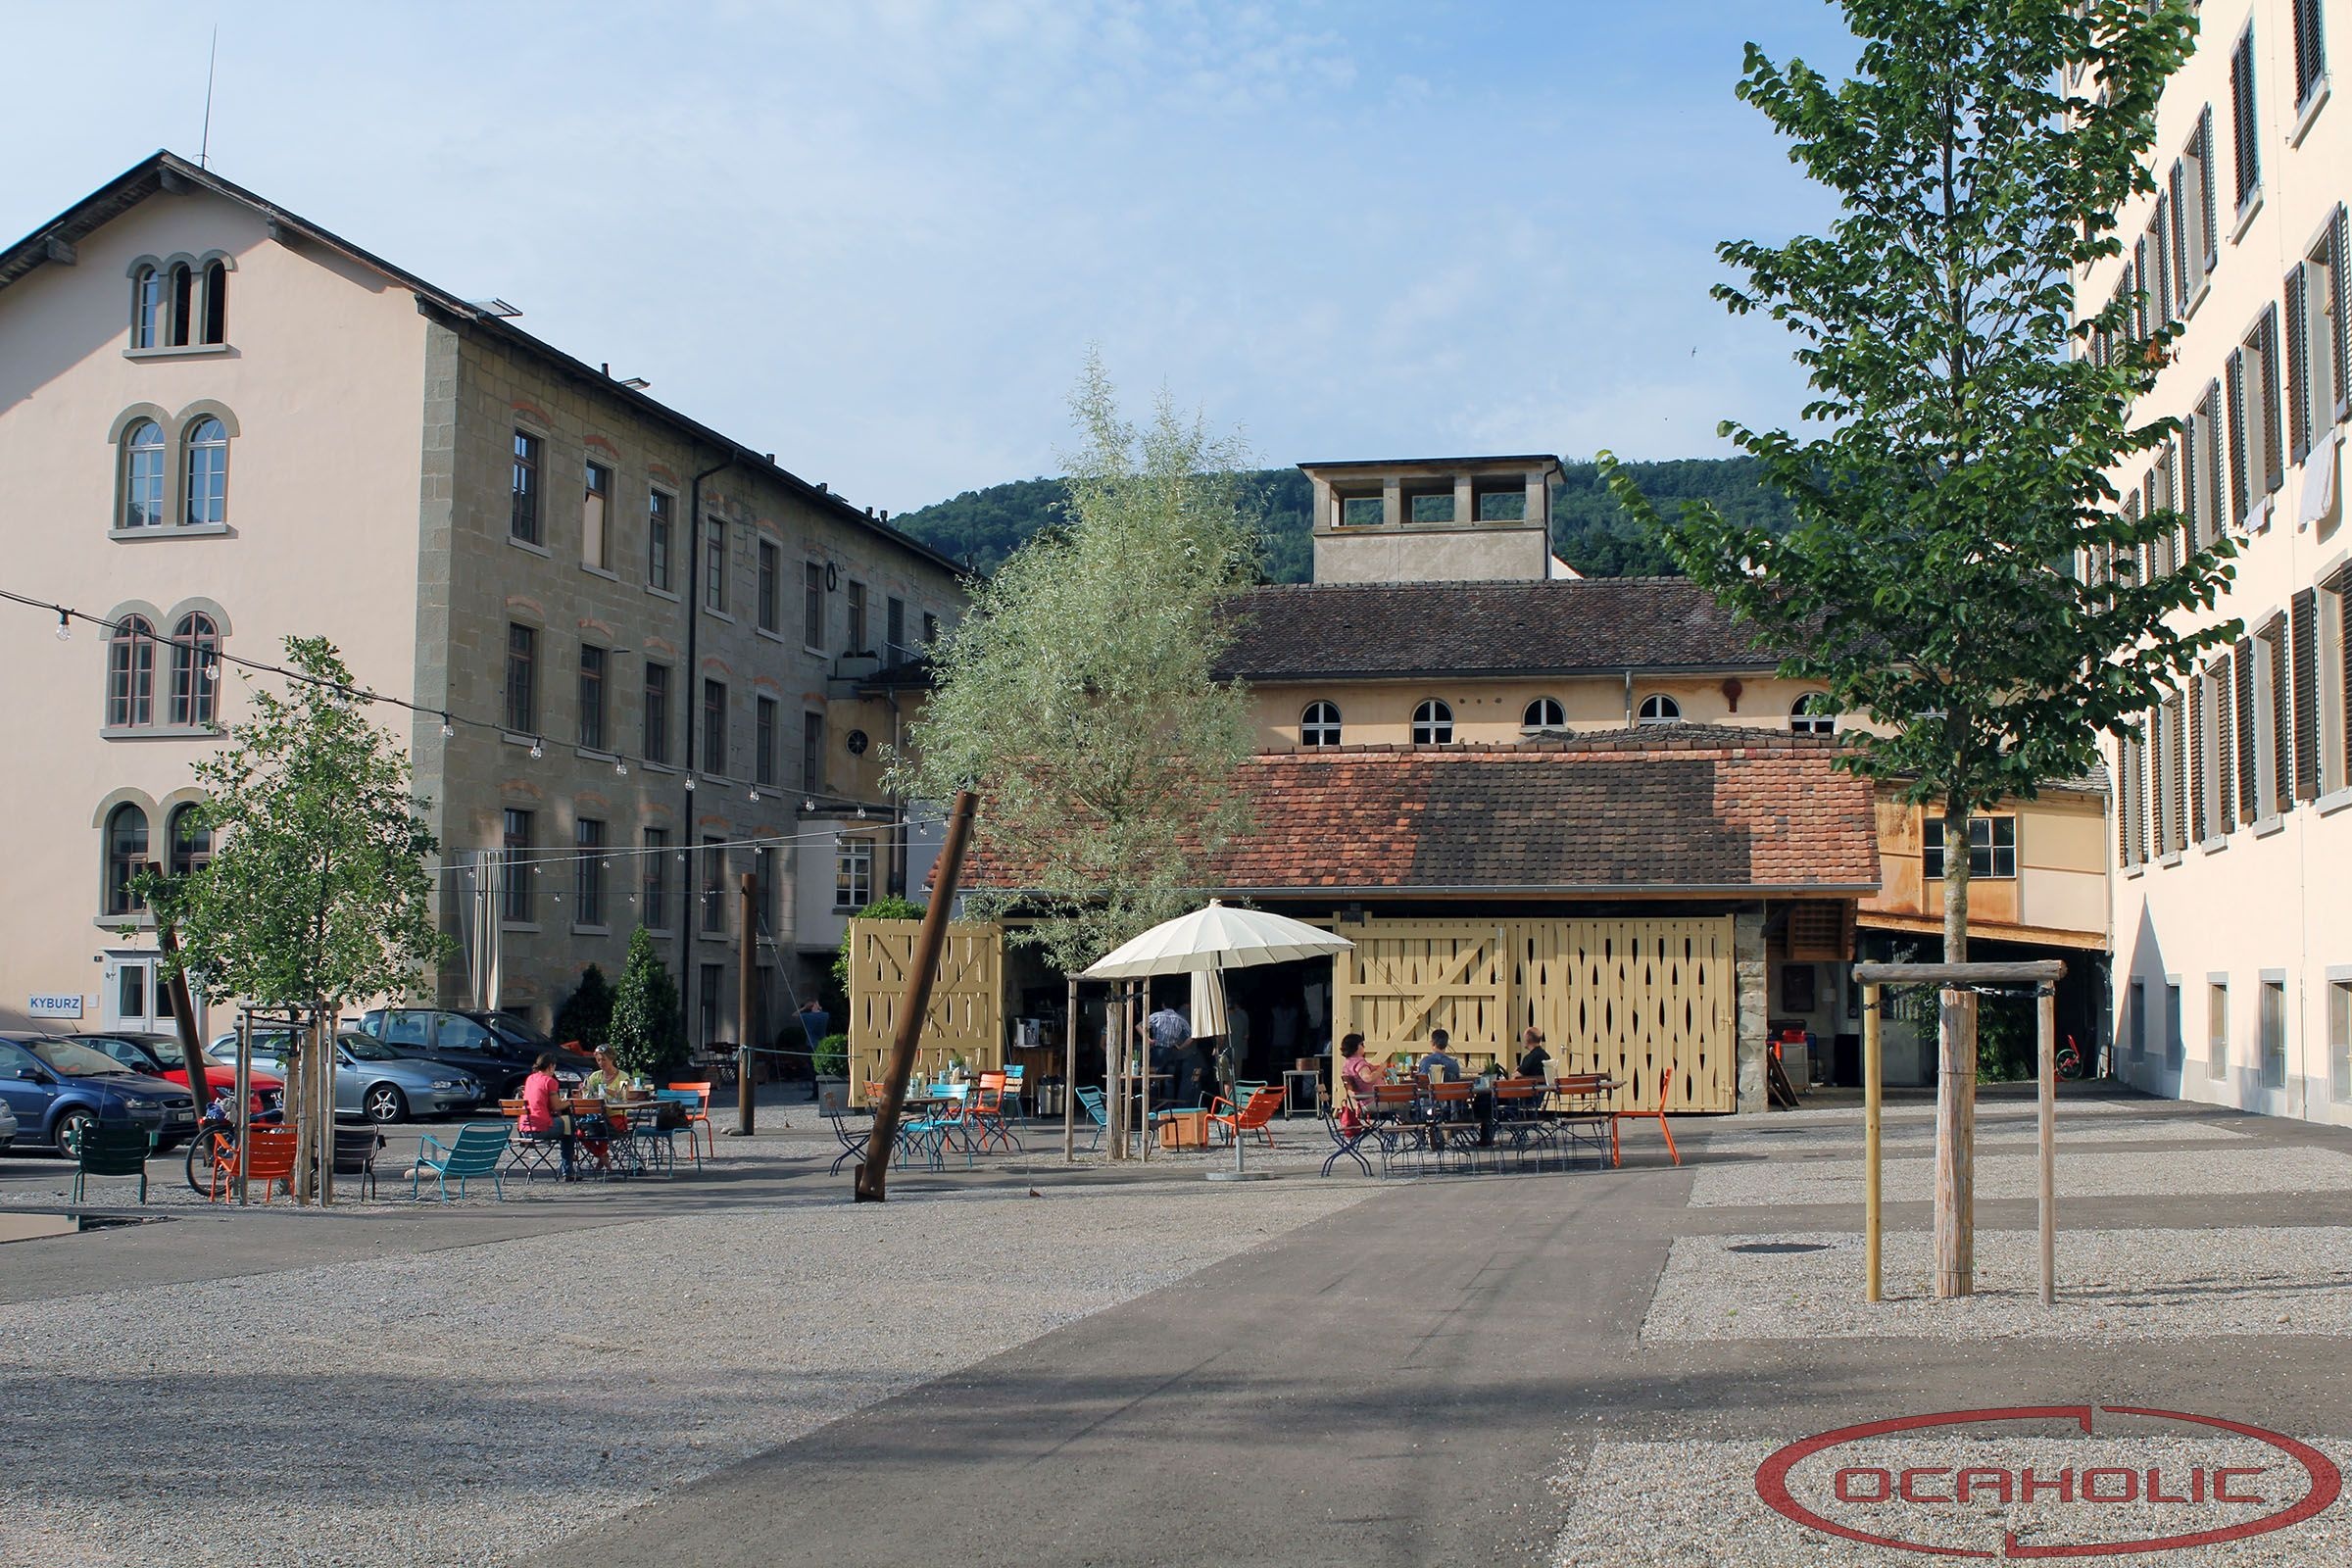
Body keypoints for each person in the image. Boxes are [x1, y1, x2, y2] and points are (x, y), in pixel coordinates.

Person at [516, 1053, 575, 1181]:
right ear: (551, 1066)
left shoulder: (530, 1079)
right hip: (540, 1128)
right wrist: (571, 1102)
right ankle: (568, 1170)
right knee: (570, 1123)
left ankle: (568, 1169)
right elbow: (556, 1106)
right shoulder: (550, 1081)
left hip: (524, 1129)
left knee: (566, 1126)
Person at [1336, 1034, 1377, 1133]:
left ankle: (1402, 1128)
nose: (1364, 1046)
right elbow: (1368, 1078)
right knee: (1404, 1103)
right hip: (1372, 1101)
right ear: (1357, 1047)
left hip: (1361, 1102)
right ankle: (1408, 1127)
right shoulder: (1360, 1063)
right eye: (1362, 1044)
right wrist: (1380, 1070)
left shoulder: (1348, 1063)